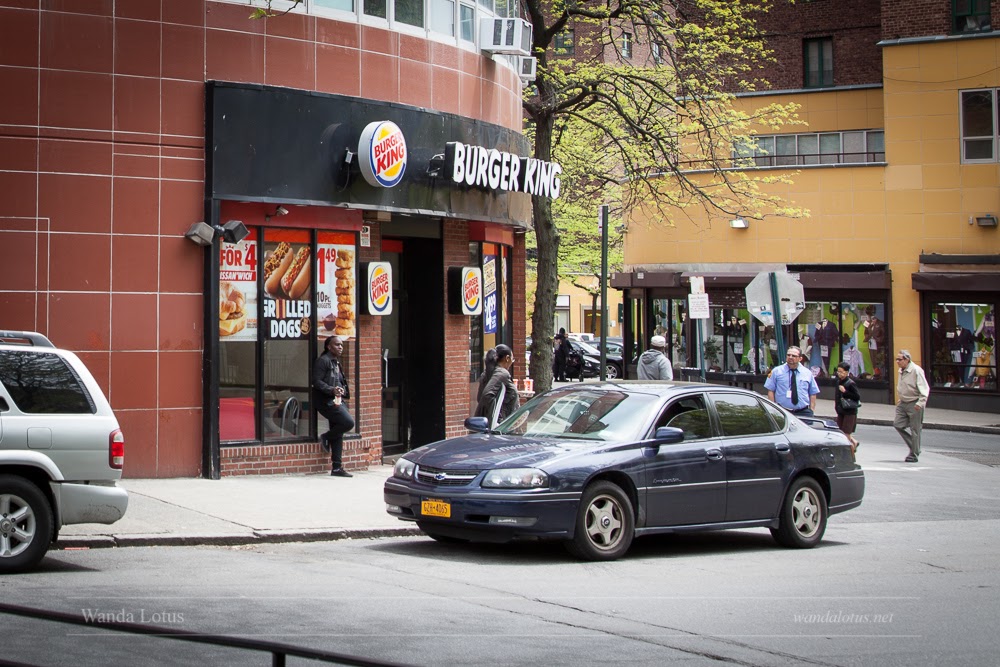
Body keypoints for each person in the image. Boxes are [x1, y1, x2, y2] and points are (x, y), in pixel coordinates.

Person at [313, 335, 355, 477]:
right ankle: (326, 436)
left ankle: (337, 467)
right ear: (328, 347)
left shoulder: (336, 362)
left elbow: (338, 381)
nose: (340, 347)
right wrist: (331, 390)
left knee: (339, 432)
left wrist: (341, 389)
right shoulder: (323, 361)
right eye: (337, 345)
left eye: (342, 345)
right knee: (348, 422)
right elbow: (317, 382)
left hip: (336, 400)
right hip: (326, 401)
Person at [894, 349, 930, 463]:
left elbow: (924, 388)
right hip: (903, 402)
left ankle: (914, 454)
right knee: (898, 424)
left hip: (915, 403)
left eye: (899, 359)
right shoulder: (901, 370)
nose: (897, 361)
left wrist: (920, 402)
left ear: (907, 359)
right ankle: (916, 447)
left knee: (915, 430)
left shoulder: (916, 370)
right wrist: (901, 399)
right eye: (897, 359)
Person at [765, 346, 820, 416]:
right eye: (788, 355)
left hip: (803, 412)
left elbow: (813, 393)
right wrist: (772, 409)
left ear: (800, 358)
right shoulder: (776, 371)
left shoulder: (807, 373)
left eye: (794, 356)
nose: (790, 357)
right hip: (782, 411)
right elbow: (771, 390)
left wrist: (811, 410)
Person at [476, 344, 520, 427]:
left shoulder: (486, 374)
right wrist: (498, 419)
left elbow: (479, 398)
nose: (511, 363)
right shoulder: (502, 374)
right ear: (507, 358)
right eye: (512, 359)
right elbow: (486, 395)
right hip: (499, 427)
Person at [834, 361, 861, 451]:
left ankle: (849, 451)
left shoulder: (850, 383)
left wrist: (845, 392)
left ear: (846, 372)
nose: (839, 373)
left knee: (846, 432)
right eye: (838, 371)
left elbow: (857, 397)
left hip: (849, 411)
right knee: (839, 431)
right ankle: (854, 442)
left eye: (841, 372)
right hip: (841, 410)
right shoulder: (838, 382)